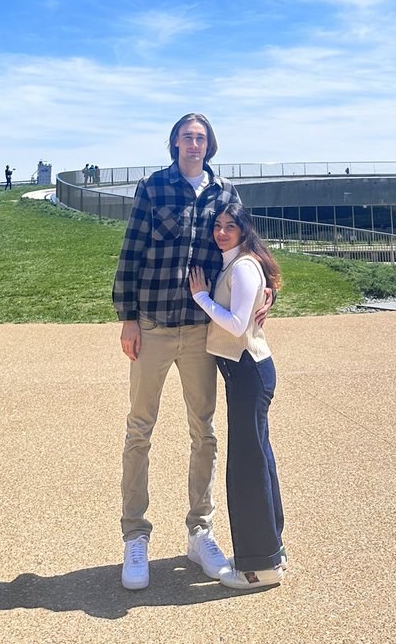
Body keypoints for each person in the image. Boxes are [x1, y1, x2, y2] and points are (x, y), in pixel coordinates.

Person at [112, 113, 270, 591]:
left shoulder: (225, 192)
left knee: (204, 432)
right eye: (187, 137)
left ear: (210, 145)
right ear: (175, 143)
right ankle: (134, 535)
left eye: (201, 138)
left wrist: (267, 291)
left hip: (203, 333)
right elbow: (131, 250)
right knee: (140, 430)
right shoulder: (154, 188)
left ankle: (199, 531)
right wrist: (128, 316)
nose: (194, 144)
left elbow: (249, 247)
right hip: (156, 326)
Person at [189, 202, 286, 590]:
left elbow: (236, 323)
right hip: (245, 372)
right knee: (258, 459)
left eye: (231, 226)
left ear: (244, 230)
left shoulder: (243, 266)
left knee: (247, 465)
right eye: (218, 225)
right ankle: (270, 553)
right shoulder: (235, 264)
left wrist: (200, 296)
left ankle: (258, 569)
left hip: (248, 370)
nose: (222, 231)